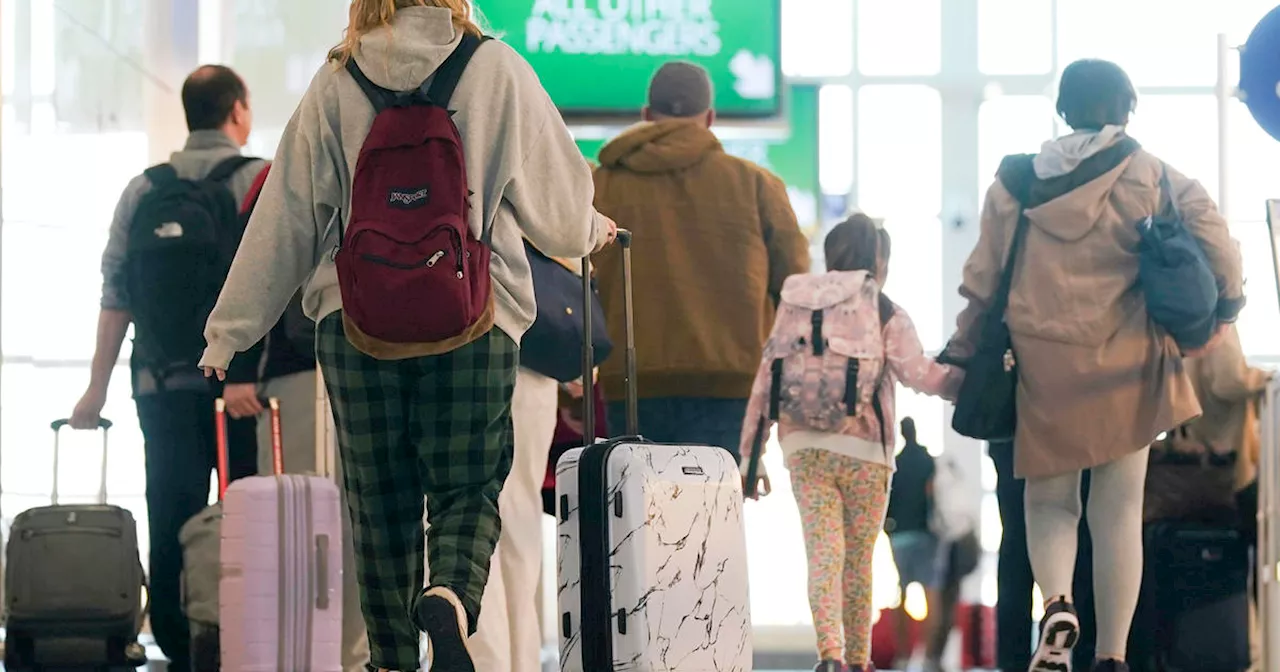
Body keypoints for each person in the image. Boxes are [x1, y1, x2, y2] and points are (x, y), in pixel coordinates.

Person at [195, 1, 617, 670]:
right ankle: (449, 593)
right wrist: (595, 230)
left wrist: (230, 334)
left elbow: (286, 222)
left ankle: (391, 660)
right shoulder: (496, 69)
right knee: (468, 486)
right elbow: (563, 217)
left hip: (356, 325)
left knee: (380, 506)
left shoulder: (336, 81)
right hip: (473, 320)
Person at [944, 59, 1244, 672]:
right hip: (1129, 361)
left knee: (1050, 501)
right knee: (1118, 510)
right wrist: (1225, 310)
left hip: (1043, 360)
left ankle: (1056, 604)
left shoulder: (1015, 182)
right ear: (1127, 108)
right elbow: (1217, 240)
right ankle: (1111, 655)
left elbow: (982, 280)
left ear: (1063, 110)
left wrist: (961, 348)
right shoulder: (1152, 173)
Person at [68, 65, 263, 670]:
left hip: (158, 383)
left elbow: (115, 294)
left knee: (171, 514)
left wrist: (94, 391)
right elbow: (276, 286)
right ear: (237, 111)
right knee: (246, 516)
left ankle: (178, 647)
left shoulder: (141, 190)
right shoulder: (256, 181)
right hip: (239, 388)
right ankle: (241, 641)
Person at [740, 215, 961, 672]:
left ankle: (831, 656)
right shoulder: (882, 308)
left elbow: (766, 379)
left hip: (802, 448)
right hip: (866, 453)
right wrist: (970, 378)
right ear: (879, 259)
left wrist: (751, 454)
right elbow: (923, 375)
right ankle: (858, 662)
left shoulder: (795, 304)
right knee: (857, 561)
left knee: (822, 553)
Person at [591, 60, 810, 463]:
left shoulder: (599, 185)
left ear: (645, 116)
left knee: (637, 518)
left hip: (632, 384)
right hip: (732, 385)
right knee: (715, 517)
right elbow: (796, 290)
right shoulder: (758, 185)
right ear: (709, 118)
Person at [884, 417, 941, 669]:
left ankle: (904, 654)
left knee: (901, 594)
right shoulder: (928, 462)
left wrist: (888, 529)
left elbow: (887, 499)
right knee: (931, 594)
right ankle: (927, 655)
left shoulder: (895, 464)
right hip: (925, 533)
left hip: (899, 536)